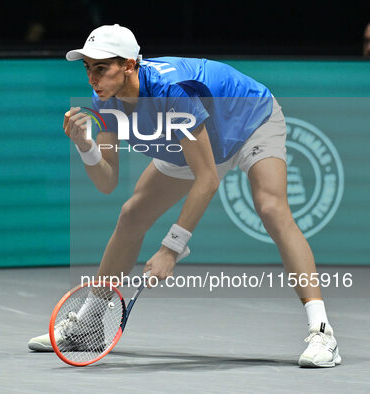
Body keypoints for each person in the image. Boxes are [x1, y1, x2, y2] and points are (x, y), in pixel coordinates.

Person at [28, 24, 341, 368]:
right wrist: (86, 147)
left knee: (271, 209)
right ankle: (88, 324)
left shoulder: (171, 91)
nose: (92, 77)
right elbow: (107, 180)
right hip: (197, 141)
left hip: (248, 121)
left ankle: (323, 332)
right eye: (87, 67)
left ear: (129, 65)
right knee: (132, 213)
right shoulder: (103, 101)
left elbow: (207, 179)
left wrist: (171, 248)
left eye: (101, 68)